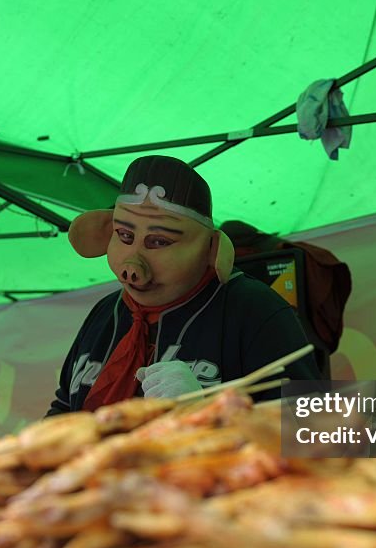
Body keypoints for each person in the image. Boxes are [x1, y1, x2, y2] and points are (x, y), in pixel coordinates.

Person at [47, 155, 321, 415]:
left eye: (159, 242)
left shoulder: (257, 310)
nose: (132, 267)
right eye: (125, 236)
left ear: (211, 248)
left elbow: (323, 435)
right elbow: (63, 408)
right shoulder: (106, 312)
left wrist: (212, 414)